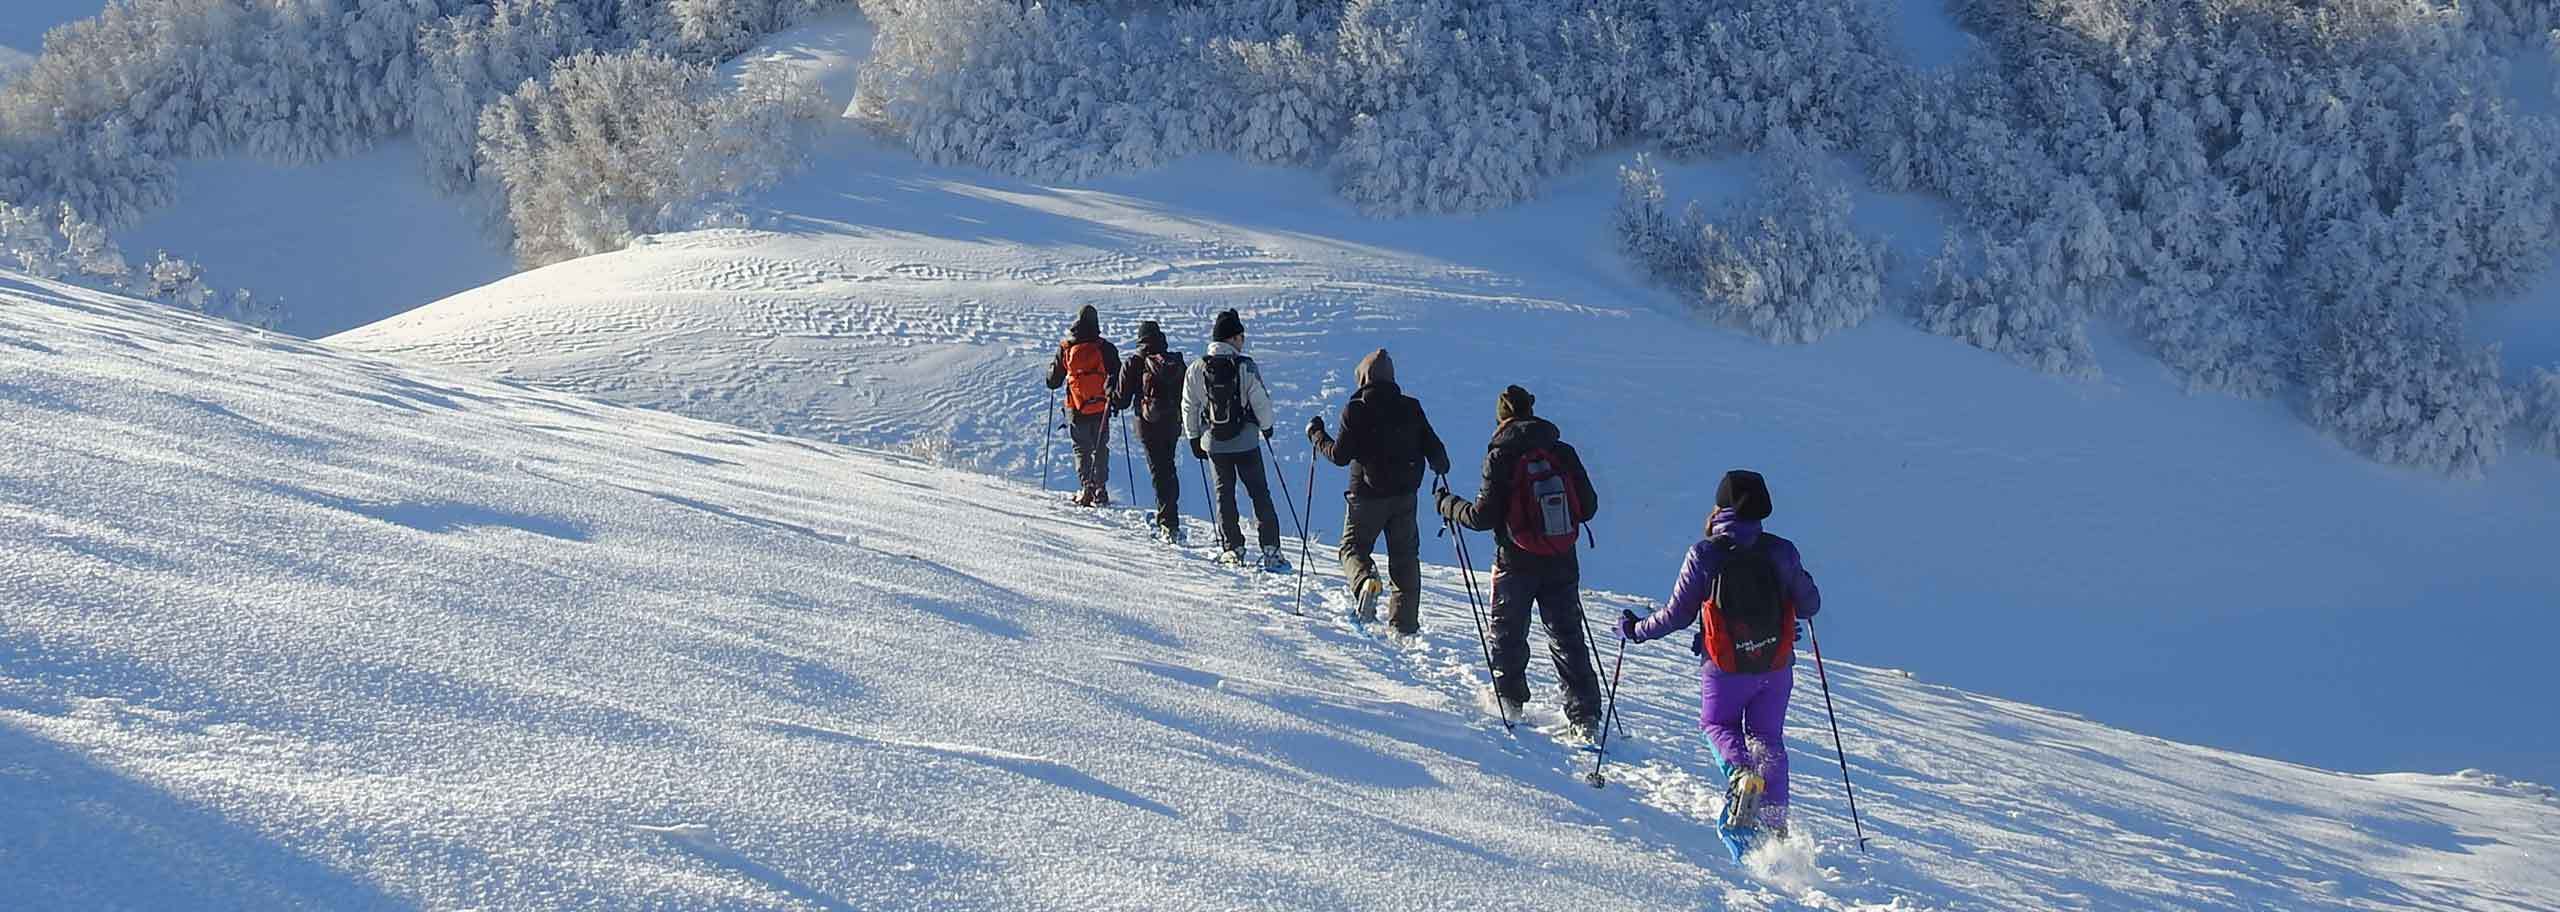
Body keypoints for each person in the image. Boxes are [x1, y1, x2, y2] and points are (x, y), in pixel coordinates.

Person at [1616, 469, 1823, 858]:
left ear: (1721, 507)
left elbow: (1676, 616)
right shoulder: (1782, 550)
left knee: (1718, 724)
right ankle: (1775, 827)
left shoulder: (1706, 553)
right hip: (1775, 666)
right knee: (1768, 740)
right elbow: (1810, 605)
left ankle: (1742, 776)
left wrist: (1635, 630)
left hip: (1725, 667)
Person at [1434, 385, 1603, 735]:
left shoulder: (1501, 455)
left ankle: (1509, 705)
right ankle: (1584, 715)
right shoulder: (1561, 450)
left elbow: (1482, 517)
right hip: (1561, 558)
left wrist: (1448, 505)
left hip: (1515, 561)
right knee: (1567, 635)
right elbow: (1588, 507)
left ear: (1501, 416)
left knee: (1508, 634)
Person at [1307, 349, 1448, 636]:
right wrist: (1439, 467)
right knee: (1405, 557)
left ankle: (1365, 582)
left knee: (1353, 548)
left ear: (1364, 377)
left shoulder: (1356, 408)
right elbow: (1437, 452)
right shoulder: (1411, 407)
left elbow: (1339, 456)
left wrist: (1316, 435)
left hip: (1366, 496)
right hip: (1405, 496)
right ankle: (1404, 624)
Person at [1181, 309, 1286, 570]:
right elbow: (1260, 400)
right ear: (1233, 338)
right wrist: (1267, 427)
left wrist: (1194, 438)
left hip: (1214, 444)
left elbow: (1189, 406)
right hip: (1247, 441)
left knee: (1224, 495)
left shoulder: (1197, 367)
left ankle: (1233, 548)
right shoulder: (1245, 366)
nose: (1243, 341)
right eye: (1241, 336)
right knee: (1260, 494)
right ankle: (1271, 549)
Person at [1112, 320, 1187, 542]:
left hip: (1148, 425)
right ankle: (1170, 518)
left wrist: (1110, 388)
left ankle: (1168, 523)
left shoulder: (1135, 361)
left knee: (1159, 471)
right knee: (1168, 467)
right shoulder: (1175, 362)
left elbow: (1121, 400)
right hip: (1172, 423)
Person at [1043, 305, 1120, 507]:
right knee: (1100, 448)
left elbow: (1053, 381)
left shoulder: (1067, 347)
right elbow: (1118, 376)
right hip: (1101, 408)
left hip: (1076, 408)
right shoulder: (1105, 348)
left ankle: (1087, 487)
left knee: (1081, 449)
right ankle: (1101, 488)